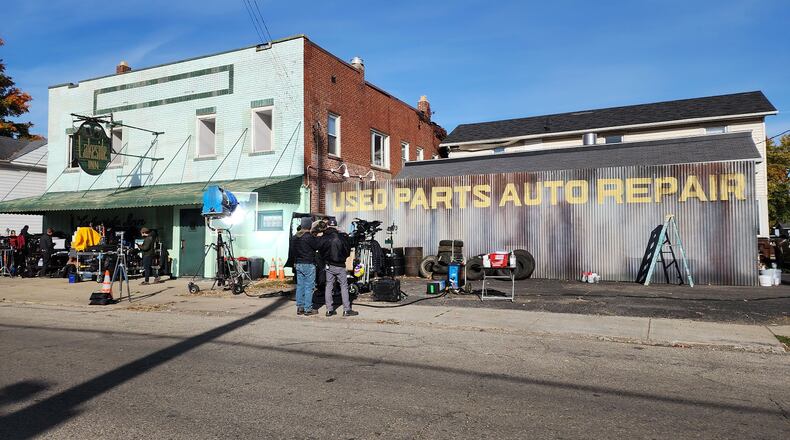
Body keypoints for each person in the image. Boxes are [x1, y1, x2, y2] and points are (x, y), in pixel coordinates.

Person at [320, 219, 358, 317]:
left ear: (328, 226)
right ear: (336, 226)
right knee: (344, 286)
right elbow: (347, 250)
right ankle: (346, 310)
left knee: (329, 286)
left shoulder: (325, 237)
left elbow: (321, 250)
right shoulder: (342, 237)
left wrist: (326, 260)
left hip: (329, 265)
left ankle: (329, 310)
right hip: (340, 265)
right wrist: (343, 258)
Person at [291, 217, 319, 316]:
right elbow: (317, 246)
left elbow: (292, 251)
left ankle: (300, 307)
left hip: (298, 263)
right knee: (309, 287)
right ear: (309, 225)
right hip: (308, 264)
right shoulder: (309, 237)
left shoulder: (295, 237)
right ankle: (308, 309)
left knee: (300, 286)